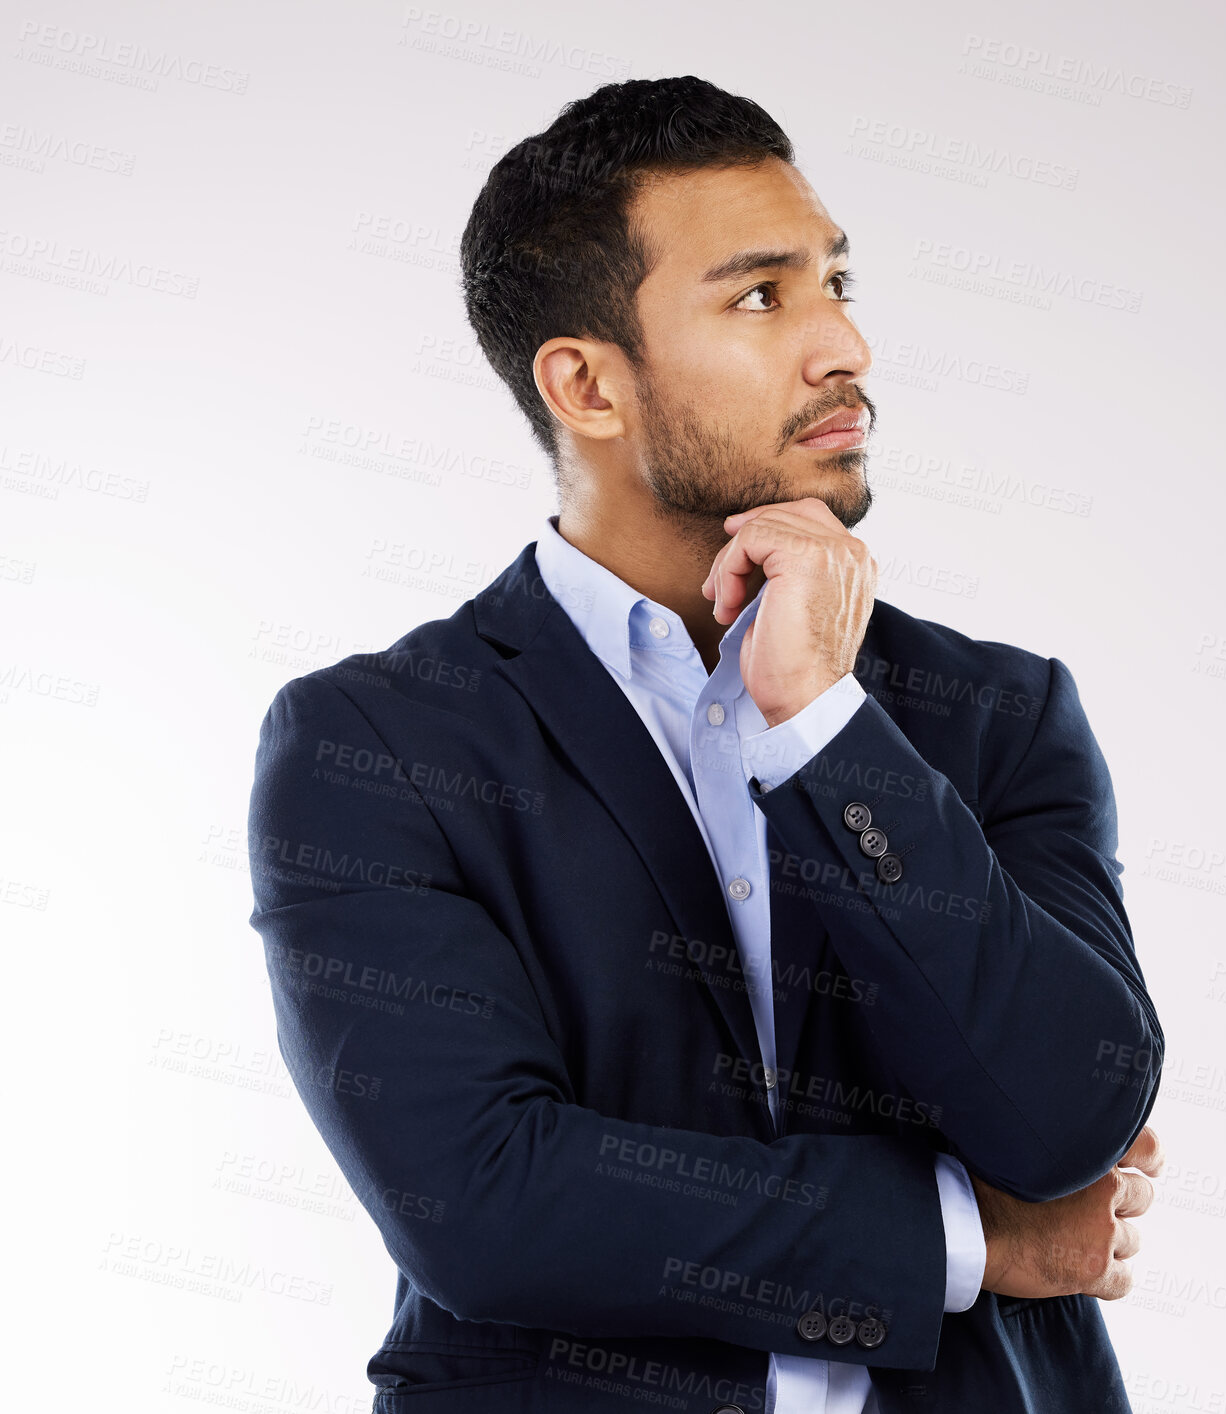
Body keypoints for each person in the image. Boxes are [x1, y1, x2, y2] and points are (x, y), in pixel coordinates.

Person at [246, 74, 1165, 1414]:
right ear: (586, 385)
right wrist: (967, 1242)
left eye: (834, 282)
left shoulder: (996, 711)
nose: (841, 341)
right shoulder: (374, 739)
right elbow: (485, 1201)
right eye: (759, 296)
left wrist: (825, 727)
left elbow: (1067, 1116)